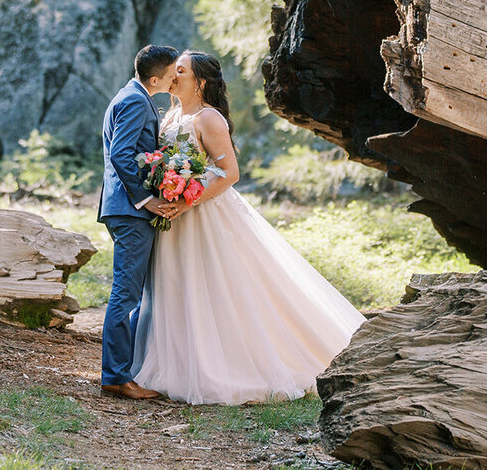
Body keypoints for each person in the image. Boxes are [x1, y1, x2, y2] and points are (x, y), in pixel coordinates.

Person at [131, 50, 366, 405]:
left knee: (216, 287)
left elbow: (230, 173)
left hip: (202, 215)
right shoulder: (173, 114)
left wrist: (187, 199)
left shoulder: (209, 119)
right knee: (179, 286)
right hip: (174, 219)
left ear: (201, 82)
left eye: (181, 71)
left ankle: (229, 365)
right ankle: (178, 360)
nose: (172, 75)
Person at [98, 44, 180, 400]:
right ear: (155, 78)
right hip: (131, 211)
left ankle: (126, 369)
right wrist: (147, 199)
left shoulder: (131, 95)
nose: (178, 76)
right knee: (126, 294)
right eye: (174, 72)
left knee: (132, 293)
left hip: (127, 209)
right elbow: (120, 153)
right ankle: (115, 376)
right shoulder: (135, 101)